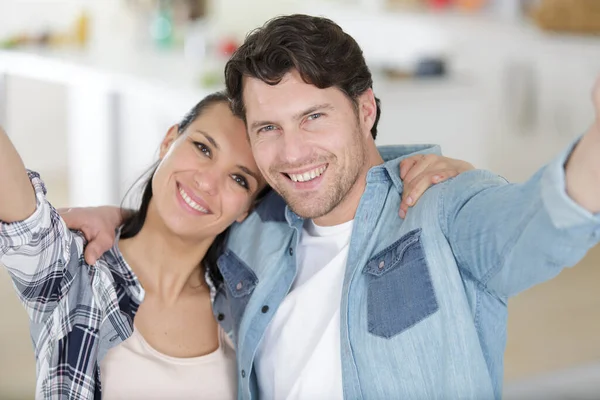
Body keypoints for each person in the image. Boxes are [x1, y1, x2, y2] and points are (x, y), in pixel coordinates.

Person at [0, 91, 469, 399]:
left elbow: (339, 186)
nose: (206, 182)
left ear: (248, 207)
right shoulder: (73, 273)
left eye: (239, 178)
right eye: (202, 148)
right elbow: (20, 206)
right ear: (168, 142)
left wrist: (445, 173)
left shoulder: (248, 299)